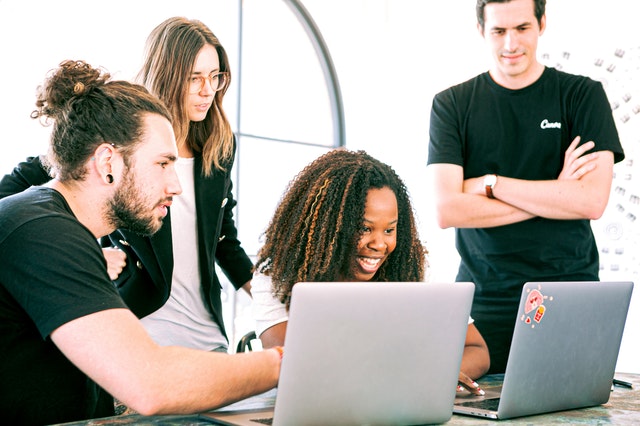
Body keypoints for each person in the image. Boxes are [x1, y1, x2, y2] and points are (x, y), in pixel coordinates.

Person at [0, 59, 280, 426]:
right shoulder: (41, 229)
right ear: (107, 162)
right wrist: (284, 362)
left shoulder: (62, 227)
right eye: (163, 164)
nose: (176, 186)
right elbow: (150, 383)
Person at [0, 17, 254, 350]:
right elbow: (16, 201)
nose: (208, 90)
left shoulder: (219, 145)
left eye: (215, 76)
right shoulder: (115, 133)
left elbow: (223, 239)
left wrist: (272, 296)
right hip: (136, 332)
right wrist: (84, 253)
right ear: (168, 75)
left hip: (207, 336)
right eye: (195, 78)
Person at [427, 0, 625, 374]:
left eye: (522, 28)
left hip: (570, 292)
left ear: (542, 23)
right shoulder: (451, 105)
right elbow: (447, 210)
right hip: (483, 300)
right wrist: (556, 193)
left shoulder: (582, 96)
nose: (510, 44)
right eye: (499, 31)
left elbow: (592, 201)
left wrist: (490, 184)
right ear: (481, 30)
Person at [252, 149, 490, 393]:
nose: (379, 244)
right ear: (330, 226)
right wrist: (410, 373)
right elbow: (294, 368)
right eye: (364, 228)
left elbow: (477, 350)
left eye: (389, 230)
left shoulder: (411, 268)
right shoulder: (277, 276)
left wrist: (437, 375)